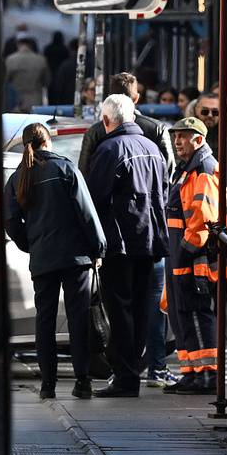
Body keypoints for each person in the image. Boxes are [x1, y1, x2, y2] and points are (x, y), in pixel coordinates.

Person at [4, 123, 107, 400]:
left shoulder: (18, 178)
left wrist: (30, 244)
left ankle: (47, 384)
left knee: (44, 320)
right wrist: (98, 247)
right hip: (75, 258)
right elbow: (86, 212)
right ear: (47, 141)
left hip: (43, 258)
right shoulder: (65, 169)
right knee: (78, 319)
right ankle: (82, 381)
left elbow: (11, 221)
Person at [83, 93, 168, 397]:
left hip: (120, 244)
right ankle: (132, 371)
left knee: (119, 311)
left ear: (107, 121)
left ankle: (126, 377)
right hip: (150, 241)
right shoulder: (152, 149)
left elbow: (93, 199)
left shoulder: (109, 149)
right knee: (142, 309)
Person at [164, 116, 221, 394]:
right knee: (181, 313)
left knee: (196, 312)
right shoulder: (186, 168)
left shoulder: (203, 169)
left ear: (198, 139)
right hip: (180, 254)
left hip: (192, 256)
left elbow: (204, 217)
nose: (177, 142)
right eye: (176, 137)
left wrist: (186, 251)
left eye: (183, 137)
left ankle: (208, 374)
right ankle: (191, 371)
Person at [79, 71, 175, 174]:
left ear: (110, 97)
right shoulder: (157, 129)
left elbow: (84, 172)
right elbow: (169, 170)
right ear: (137, 98)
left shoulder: (94, 132)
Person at [4, 38, 50, 110]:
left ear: (18, 45)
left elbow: (5, 80)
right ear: (30, 46)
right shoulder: (41, 59)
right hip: (35, 99)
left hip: (16, 100)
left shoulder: (10, 59)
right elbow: (47, 81)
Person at [44, 30, 74, 104]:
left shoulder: (48, 48)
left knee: (51, 95)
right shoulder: (64, 49)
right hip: (62, 74)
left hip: (51, 74)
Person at [192, 89, 221, 155]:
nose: (210, 115)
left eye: (215, 112)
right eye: (205, 111)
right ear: (196, 110)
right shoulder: (183, 134)